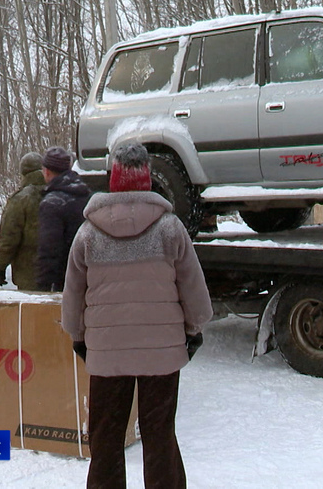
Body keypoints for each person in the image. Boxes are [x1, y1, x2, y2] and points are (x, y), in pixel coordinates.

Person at [62, 142, 213, 488]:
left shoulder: (88, 233)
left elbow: (73, 294)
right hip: (161, 352)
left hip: (106, 352)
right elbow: (193, 288)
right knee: (160, 436)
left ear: (113, 178)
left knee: (106, 437)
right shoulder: (170, 229)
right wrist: (194, 330)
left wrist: (79, 336)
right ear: (146, 178)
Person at [36, 147, 92, 292]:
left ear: (46, 172)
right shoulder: (87, 195)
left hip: (65, 280)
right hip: (89, 275)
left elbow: (49, 249)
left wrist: (42, 288)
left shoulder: (52, 203)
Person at [0, 152, 45, 290]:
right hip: (60, 271)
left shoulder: (20, 199)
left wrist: (0, 267)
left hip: (29, 271)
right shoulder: (59, 193)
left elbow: (9, 237)